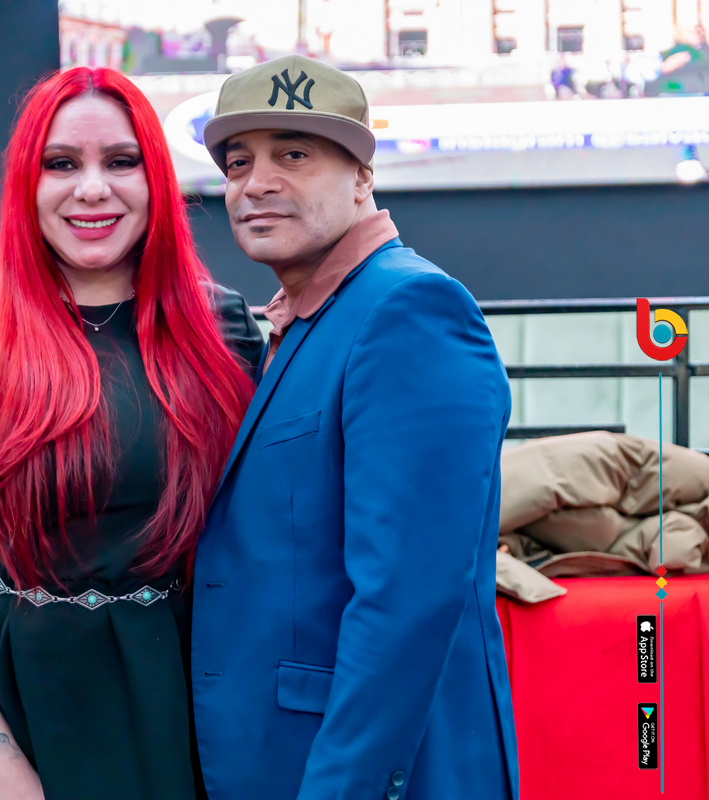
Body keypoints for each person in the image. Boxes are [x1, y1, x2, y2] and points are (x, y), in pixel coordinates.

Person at [0, 66, 261, 800]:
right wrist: (4, 774)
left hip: (174, 715)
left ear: (156, 179)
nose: (92, 189)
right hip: (2, 726)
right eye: (62, 164)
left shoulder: (222, 327)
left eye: (121, 161)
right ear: (27, 181)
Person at [191, 55, 520, 800]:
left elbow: (407, 602)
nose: (256, 183)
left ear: (363, 178)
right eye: (238, 163)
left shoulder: (409, 310)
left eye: (293, 155)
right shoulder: (314, 318)